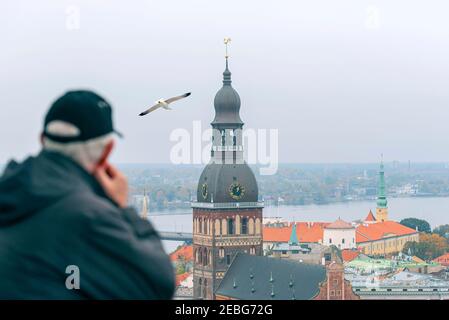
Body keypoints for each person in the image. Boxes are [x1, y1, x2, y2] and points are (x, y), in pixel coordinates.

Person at [0, 90, 175, 299]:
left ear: (42, 139)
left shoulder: (8, 192)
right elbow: (158, 284)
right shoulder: (89, 215)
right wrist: (120, 208)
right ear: (107, 151)